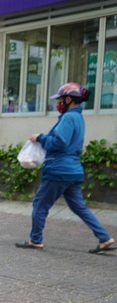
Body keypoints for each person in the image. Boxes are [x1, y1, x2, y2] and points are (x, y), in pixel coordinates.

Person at [16, 83, 115, 254]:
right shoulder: (79, 118)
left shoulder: (68, 118)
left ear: (69, 99)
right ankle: (105, 238)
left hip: (58, 170)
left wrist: (40, 137)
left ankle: (36, 239)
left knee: (40, 204)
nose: (59, 103)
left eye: (61, 100)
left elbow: (60, 142)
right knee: (79, 207)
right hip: (73, 171)